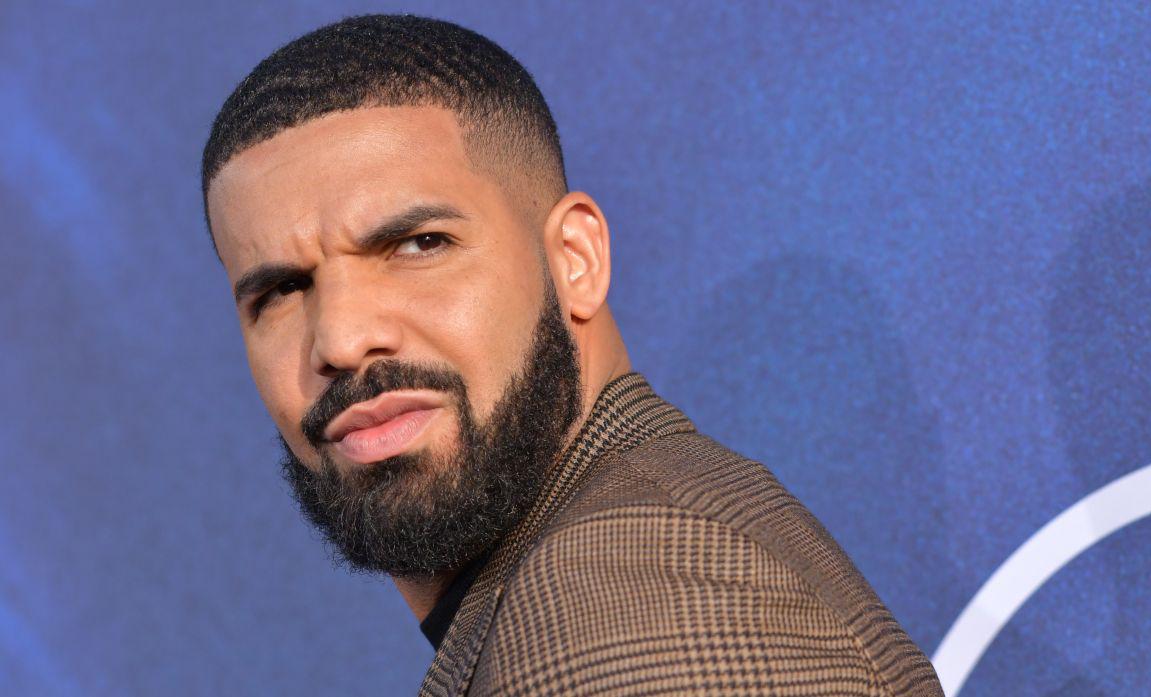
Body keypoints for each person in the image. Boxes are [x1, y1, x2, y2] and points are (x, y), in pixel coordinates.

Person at [201, 13, 943, 696]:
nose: (340, 338)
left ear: (575, 260)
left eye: (418, 245)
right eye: (281, 291)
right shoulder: (613, 559)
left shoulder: (620, 599)